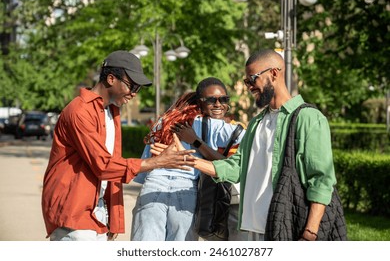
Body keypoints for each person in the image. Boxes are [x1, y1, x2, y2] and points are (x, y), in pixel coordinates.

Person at [177, 49, 338, 241]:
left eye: (252, 79)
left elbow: (321, 179)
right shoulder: (256, 123)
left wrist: (310, 233)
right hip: (253, 228)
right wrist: (190, 161)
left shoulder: (309, 118)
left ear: (274, 73)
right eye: (246, 82)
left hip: (289, 227)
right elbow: (236, 167)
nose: (249, 87)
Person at [41, 50, 195, 241]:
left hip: (98, 213)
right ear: (111, 79)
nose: (134, 94)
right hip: (75, 213)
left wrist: (113, 216)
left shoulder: (110, 111)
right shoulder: (79, 111)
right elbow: (104, 165)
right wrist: (157, 162)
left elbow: (113, 165)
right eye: (132, 86)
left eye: (138, 88)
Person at [131, 77, 245, 241]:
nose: (218, 105)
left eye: (223, 100)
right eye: (212, 100)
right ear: (200, 103)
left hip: (153, 187)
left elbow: (143, 173)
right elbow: (247, 139)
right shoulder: (214, 125)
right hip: (186, 191)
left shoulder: (164, 123)